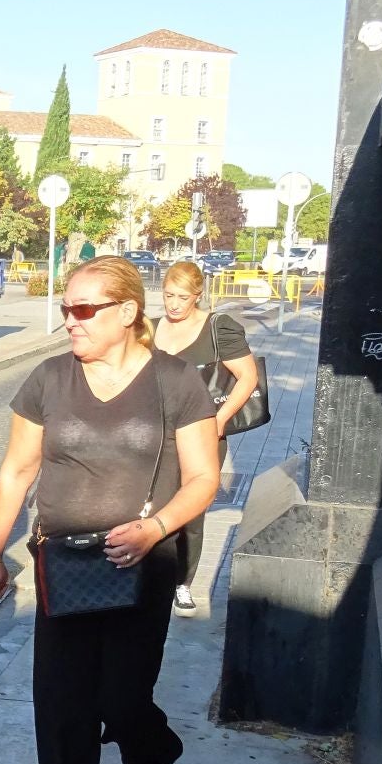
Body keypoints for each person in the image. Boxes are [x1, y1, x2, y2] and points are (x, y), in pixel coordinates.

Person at [0, 257, 220, 764]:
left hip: (142, 569)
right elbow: (15, 472)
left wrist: (154, 529)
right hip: (65, 570)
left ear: (126, 313)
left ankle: (153, 757)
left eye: (83, 310)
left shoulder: (175, 383)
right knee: (60, 717)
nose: (69, 322)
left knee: (122, 703)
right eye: (66, 309)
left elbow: (203, 479)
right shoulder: (49, 380)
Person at [151, 261, 258, 616]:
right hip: (157, 432)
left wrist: (221, 419)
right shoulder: (149, 328)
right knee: (152, 503)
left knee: (192, 511)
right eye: (168, 295)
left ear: (198, 295)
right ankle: (151, 574)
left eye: (183, 297)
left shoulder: (218, 328)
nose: (174, 304)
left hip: (202, 432)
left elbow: (247, 377)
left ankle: (182, 582)